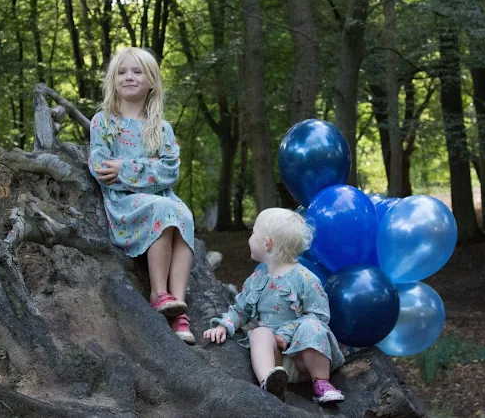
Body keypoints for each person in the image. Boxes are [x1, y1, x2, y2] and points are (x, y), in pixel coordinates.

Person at [88, 47, 195, 345]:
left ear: (151, 81)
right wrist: (143, 171)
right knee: (162, 208)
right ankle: (158, 292)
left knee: (183, 214)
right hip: (124, 203)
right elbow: (100, 167)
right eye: (122, 72)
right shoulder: (104, 122)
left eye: (137, 72)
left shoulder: (161, 129)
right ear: (113, 80)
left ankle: (178, 308)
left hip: (162, 198)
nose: (129, 77)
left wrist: (125, 167)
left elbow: (170, 171)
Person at [203, 208, 345, 403]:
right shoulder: (256, 280)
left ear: (267, 244)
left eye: (253, 233)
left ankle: (321, 382)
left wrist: (286, 333)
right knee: (260, 333)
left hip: (303, 358)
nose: (250, 238)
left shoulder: (305, 279)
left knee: (314, 327)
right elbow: (240, 310)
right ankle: (269, 380)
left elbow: (320, 316)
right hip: (276, 358)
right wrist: (223, 325)